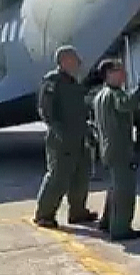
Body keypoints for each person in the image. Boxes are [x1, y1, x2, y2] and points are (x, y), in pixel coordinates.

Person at [33, 45, 97, 229]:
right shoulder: (52, 81)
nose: (78, 61)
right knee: (58, 176)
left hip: (79, 137)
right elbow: (45, 110)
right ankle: (44, 214)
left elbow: (81, 111)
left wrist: (88, 131)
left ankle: (77, 212)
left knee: (81, 175)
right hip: (61, 139)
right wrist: (58, 131)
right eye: (74, 58)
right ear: (63, 61)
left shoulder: (74, 83)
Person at [93, 58, 140, 241]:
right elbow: (126, 105)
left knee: (115, 187)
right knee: (124, 190)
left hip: (108, 148)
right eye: (119, 70)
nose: (123, 73)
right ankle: (120, 228)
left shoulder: (100, 95)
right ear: (109, 74)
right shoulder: (115, 94)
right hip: (119, 149)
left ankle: (107, 222)